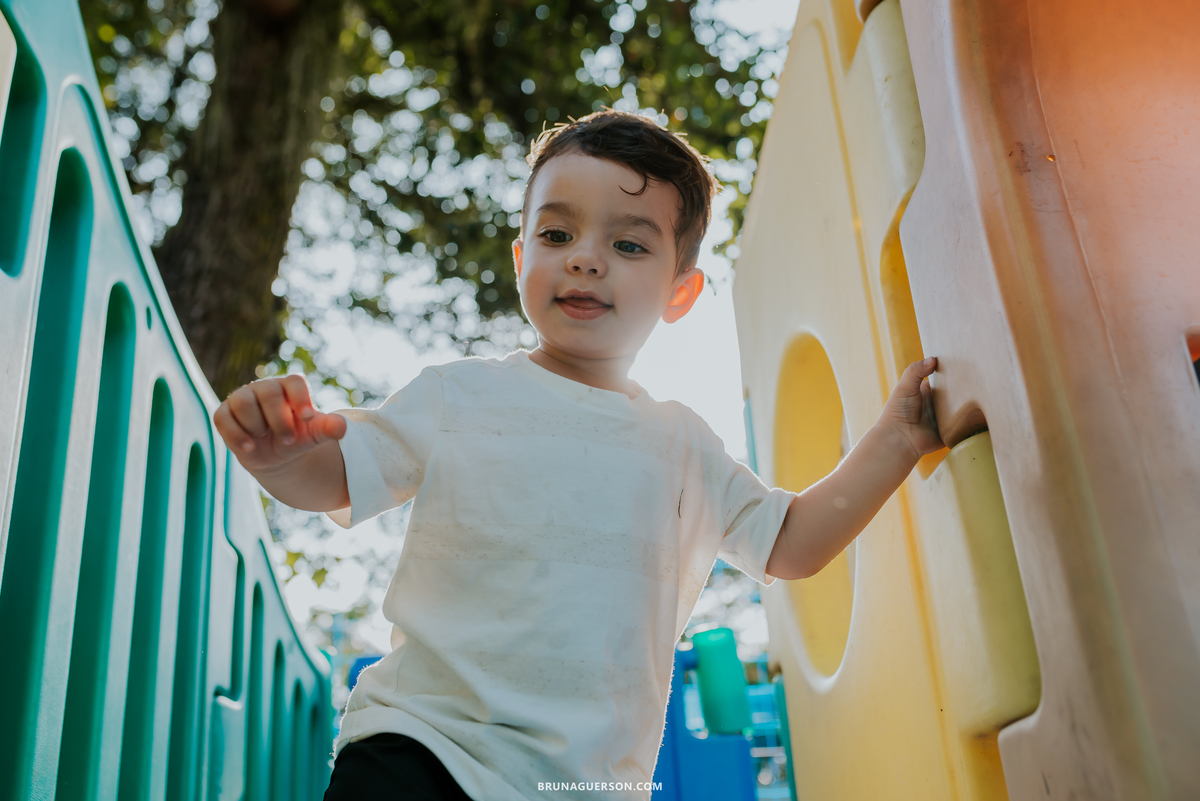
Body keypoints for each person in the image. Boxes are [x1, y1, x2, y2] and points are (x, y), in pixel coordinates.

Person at [213, 109, 943, 800]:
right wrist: (278, 457)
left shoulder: (682, 442)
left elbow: (791, 543)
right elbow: (335, 473)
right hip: (421, 741)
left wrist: (899, 438)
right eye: (558, 235)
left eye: (628, 245)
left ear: (680, 292)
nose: (587, 260)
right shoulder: (456, 396)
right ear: (521, 253)